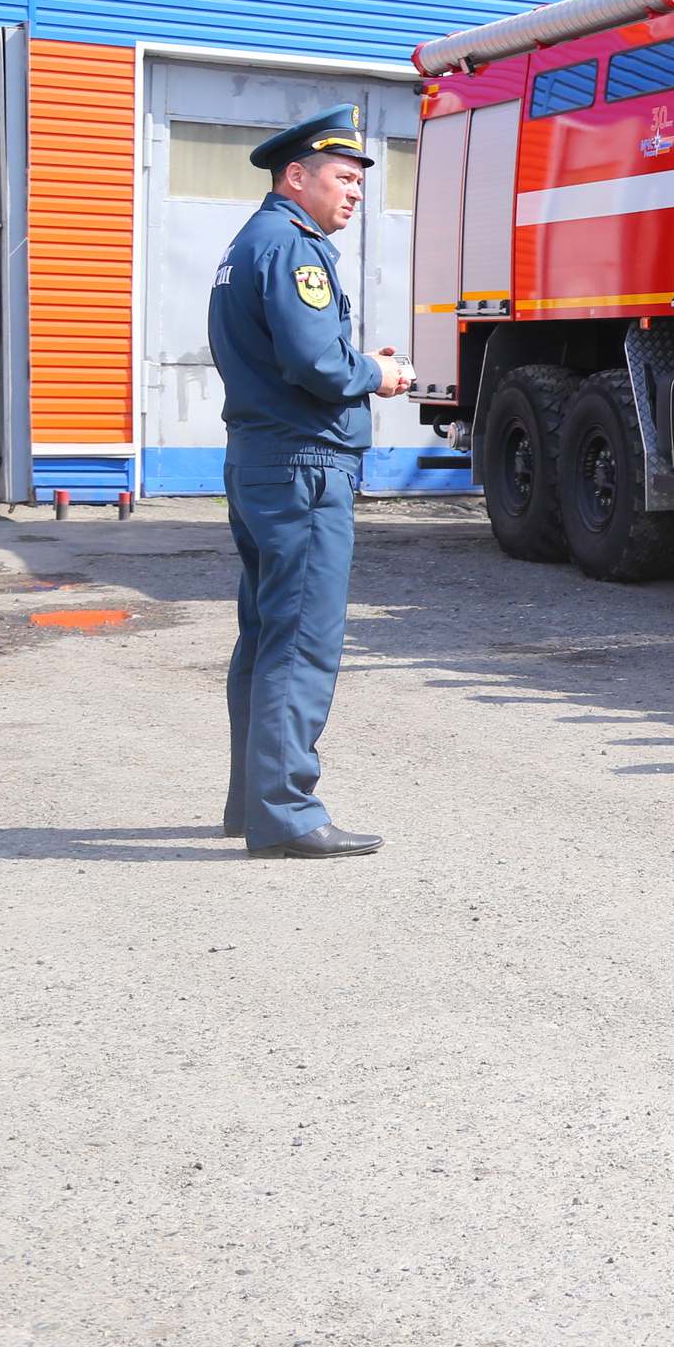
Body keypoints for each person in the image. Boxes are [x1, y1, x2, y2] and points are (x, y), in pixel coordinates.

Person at [207, 106, 406, 859]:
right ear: (297, 177)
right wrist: (379, 373)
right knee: (301, 641)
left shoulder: (248, 244)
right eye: (343, 178)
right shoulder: (292, 248)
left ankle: (251, 802)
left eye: (358, 181)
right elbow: (320, 367)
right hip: (303, 469)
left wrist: (352, 365)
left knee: (264, 638)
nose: (354, 193)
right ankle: (285, 812)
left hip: (264, 461)